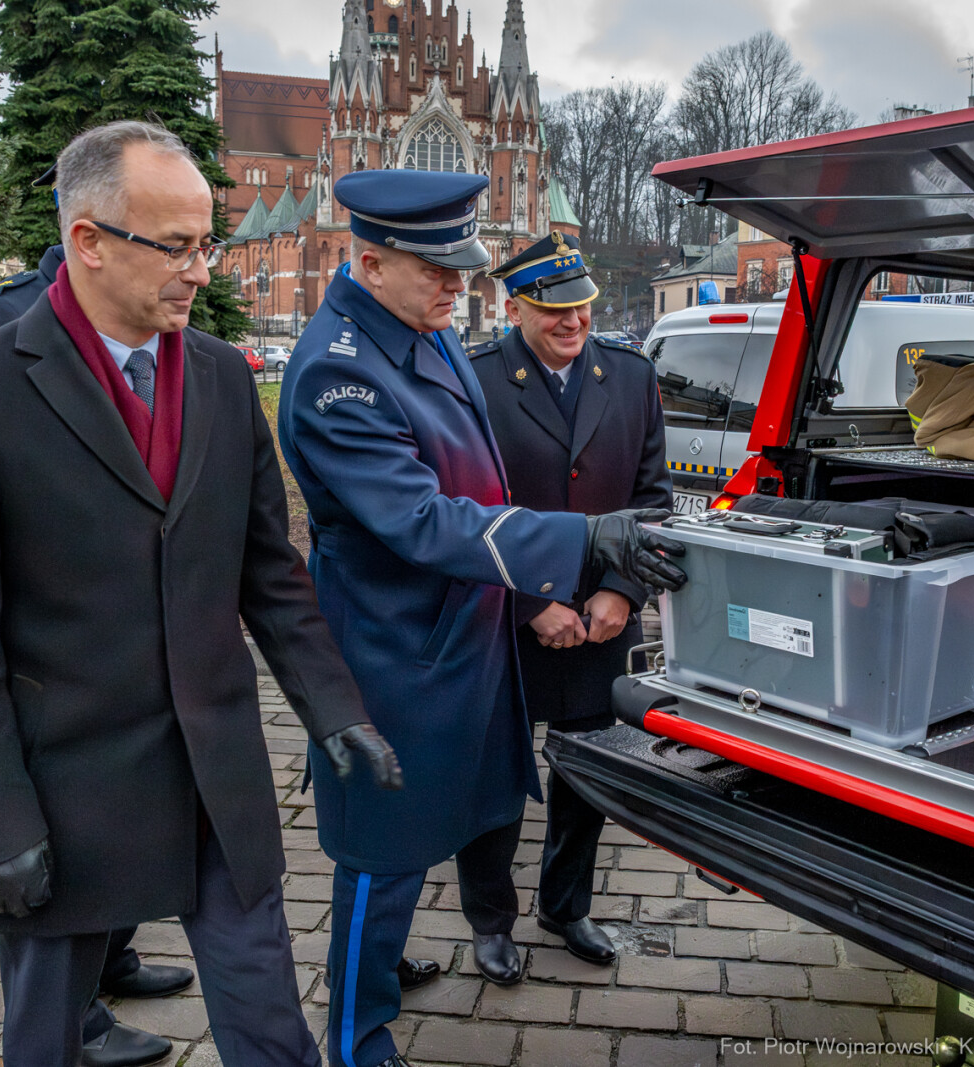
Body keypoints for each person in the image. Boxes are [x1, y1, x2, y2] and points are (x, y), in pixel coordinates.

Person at [0, 120, 402, 1067]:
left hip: (219, 769)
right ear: (87, 240)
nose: (202, 269)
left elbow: (267, 571)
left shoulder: (218, 376)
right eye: (174, 246)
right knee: (47, 1032)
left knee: (268, 1015)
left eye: (206, 242)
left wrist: (333, 706)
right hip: (65, 788)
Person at [277, 169, 687, 1067]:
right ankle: (356, 1039)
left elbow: (486, 482)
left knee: (449, 818)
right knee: (381, 855)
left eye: (462, 269)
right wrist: (586, 541)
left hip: (464, 637)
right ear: (372, 260)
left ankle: (382, 966)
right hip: (397, 652)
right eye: (438, 270)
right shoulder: (339, 372)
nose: (457, 286)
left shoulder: (417, 332)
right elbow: (423, 519)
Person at [0, 166, 191, 1067]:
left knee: (121, 831)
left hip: (137, 650)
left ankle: (116, 959)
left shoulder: (161, 318)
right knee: (54, 883)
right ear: (87, 227)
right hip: (47, 639)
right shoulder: (1, 314)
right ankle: (73, 1022)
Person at [464, 231, 672, 968]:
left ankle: (566, 905)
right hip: (505, 616)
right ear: (514, 305)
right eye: (554, 310)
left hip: (600, 616)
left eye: (582, 306)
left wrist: (622, 590)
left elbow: (652, 502)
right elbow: (460, 509)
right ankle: (490, 920)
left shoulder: (630, 374)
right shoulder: (474, 379)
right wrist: (527, 603)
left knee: (584, 768)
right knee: (490, 774)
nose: (573, 322)